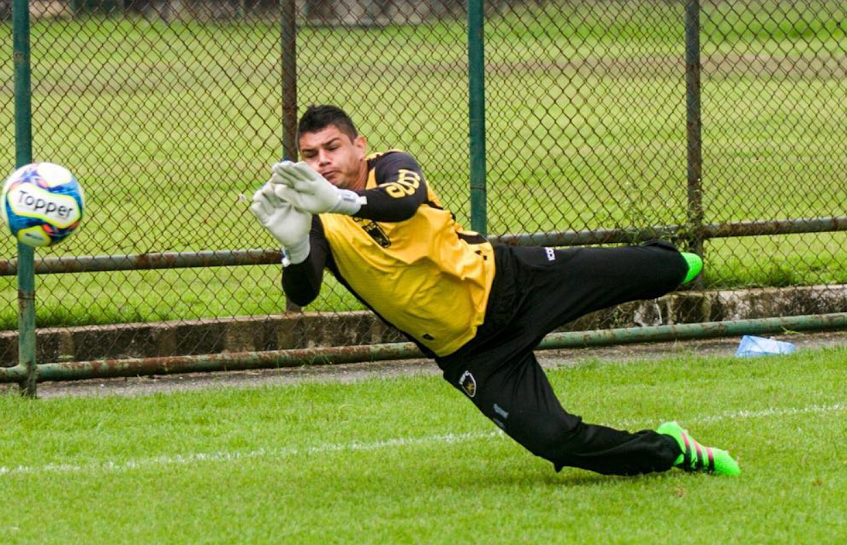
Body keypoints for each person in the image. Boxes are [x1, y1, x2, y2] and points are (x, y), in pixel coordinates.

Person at [250, 104, 740, 477]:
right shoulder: (313, 217)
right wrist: (294, 246)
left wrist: (342, 199)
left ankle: (675, 264)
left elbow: (404, 200)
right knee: (556, 442)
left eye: (332, 148)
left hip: (506, 281)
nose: (323, 161)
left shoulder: (392, 165)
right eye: (311, 154)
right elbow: (305, 289)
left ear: (359, 145)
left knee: (642, 269)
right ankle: (673, 448)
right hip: (473, 352)